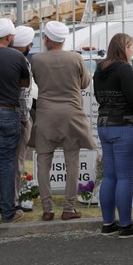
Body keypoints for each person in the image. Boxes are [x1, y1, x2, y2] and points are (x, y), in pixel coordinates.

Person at [32, 21, 95, 222]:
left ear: (48, 39)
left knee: (43, 161)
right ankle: (69, 208)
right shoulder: (76, 58)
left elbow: (38, 81)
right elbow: (85, 82)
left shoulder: (37, 59)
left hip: (46, 114)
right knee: (72, 161)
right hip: (71, 115)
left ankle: (47, 209)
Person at [93, 32, 133, 238]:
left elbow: (98, 96)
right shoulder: (125, 69)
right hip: (125, 125)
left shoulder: (100, 69)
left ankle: (108, 223)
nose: (132, 51)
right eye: (132, 47)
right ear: (125, 48)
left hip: (104, 125)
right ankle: (126, 225)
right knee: (125, 177)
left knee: (109, 175)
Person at [0, 19, 30, 225]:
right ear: (9, 37)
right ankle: (8, 212)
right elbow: (25, 83)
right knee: (7, 163)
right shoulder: (17, 57)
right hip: (8, 112)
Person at [0, 25, 35, 213]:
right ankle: (12, 200)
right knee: (16, 160)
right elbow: (24, 94)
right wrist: (25, 119)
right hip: (15, 116)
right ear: (26, 45)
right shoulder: (21, 61)